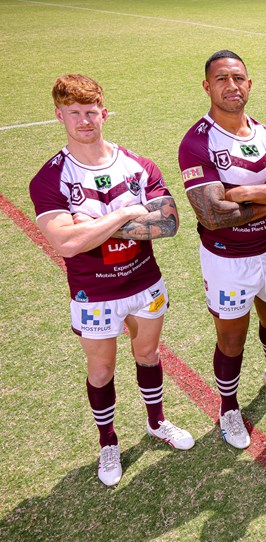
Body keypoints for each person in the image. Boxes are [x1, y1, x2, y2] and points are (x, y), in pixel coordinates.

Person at [30, 74, 194, 487]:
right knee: (101, 371)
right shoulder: (50, 178)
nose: (85, 121)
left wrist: (95, 222)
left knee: (149, 354)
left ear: (104, 111)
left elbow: (168, 223)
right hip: (95, 293)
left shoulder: (138, 165)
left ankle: (156, 422)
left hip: (144, 282)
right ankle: (108, 441)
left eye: (91, 112)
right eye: (74, 114)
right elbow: (67, 243)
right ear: (59, 116)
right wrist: (126, 214)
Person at [178, 50, 266, 450]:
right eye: (221, 79)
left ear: (249, 84)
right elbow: (213, 215)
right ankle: (229, 407)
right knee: (232, 339)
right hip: (226, 260)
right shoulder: (196, 142)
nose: (231, 85)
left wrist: (246, 193)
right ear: (207, 86)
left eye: (238, 78)